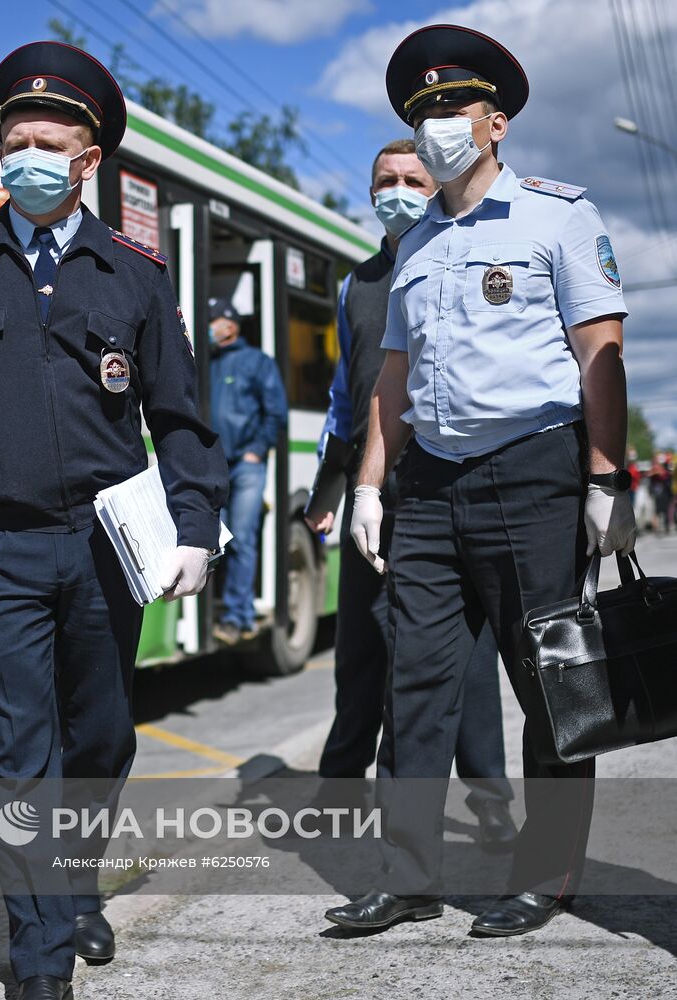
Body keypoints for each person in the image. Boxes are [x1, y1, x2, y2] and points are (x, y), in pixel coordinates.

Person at [0, 41, 226, 1000]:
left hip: (109, 545)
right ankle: (40, 959)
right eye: (13, 139)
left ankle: (73, 889)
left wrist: (196, 525)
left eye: (47, 141)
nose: (26, 153)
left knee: (101, 739)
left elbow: (181, 419)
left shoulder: (137, 277)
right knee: (19, 754)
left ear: (88, 159)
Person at [325, 24, 634, 936]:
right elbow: (391, 378)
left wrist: (606, 478)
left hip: (532, 473)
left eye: (451, 108)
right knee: (412, 683)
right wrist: (371, 488)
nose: (434, 128)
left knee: (548, 682)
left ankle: (547, 874)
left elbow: (601, 350)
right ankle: (411, 875)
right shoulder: (415, 243)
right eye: (420, 115)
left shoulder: (558, 215)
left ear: (495, 122)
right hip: (428, 480)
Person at [305, 139, 515, 848]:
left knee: (467, 657)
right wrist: (329, 487)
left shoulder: (459, 261)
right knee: (360, 648)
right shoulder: (357, 284)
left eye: (412, 179)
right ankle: (339, 789)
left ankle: (489, 796)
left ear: (438, 184)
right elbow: (345, 398)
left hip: (446, 490)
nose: (397, 190)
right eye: (385, 181)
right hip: (372, 492)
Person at [207, 297, 287, 644]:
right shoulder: (204, 363)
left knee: (240, 539)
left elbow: (276, 413)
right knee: (211, 542)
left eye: (213, 320)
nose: (208, 327)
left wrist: (256, 452)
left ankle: (238, 617)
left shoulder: (257, 362)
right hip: (212, 466)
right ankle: (214, 610)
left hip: (245, 467)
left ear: (230, 324)